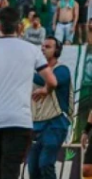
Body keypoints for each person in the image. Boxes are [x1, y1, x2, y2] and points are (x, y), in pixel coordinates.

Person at [0, 7, 58, 179]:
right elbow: (52, 81)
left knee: (0, 172)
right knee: (10, 171)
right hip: (18, 121)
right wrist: (45, 90)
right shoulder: (32, 50)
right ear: (20, 27)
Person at [28, 37, 73, 179]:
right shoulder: (35, 73)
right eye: (42, 46)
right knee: (33, 168)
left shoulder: (62, 69)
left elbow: (49, 80)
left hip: (56, 123)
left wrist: (26, 70)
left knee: (45, 163)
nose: (42, 49)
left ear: (57, 51)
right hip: (37, 124)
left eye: (47, 47)